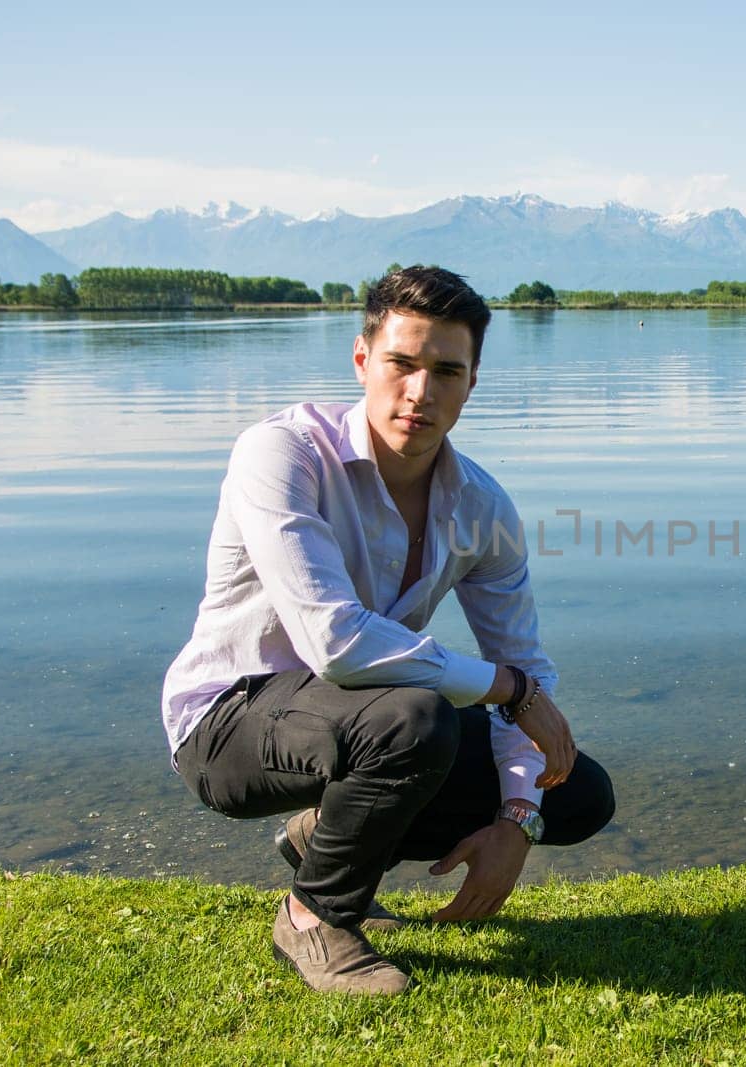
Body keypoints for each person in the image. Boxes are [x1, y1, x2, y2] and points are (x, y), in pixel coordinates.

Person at [161, 265, 614, 995]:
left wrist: (518, 818)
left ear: (471, 384)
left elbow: (524, 660)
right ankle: (314, 918)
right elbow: (335, 641)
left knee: (580, 791)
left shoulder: (482, 507)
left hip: (358, 717)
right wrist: (508, 689)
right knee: (415, 717)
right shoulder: (280, 455)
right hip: (227, 721)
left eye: (446, 371)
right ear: (363, 359)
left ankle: (323, 834)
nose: (420, 391)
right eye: (403, 363)